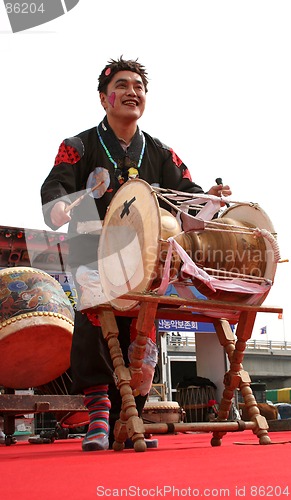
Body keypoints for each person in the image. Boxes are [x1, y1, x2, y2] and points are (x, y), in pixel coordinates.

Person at [41, 56, 231, 451]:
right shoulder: (79, 146)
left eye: (139, 87)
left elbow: (186, 193)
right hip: (93, 251)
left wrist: (207, 200)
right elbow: (57, 188)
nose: (132, 92)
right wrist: (60, 206)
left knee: (140, 336)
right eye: (123, 86)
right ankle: (98, 415)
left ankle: (131, 415)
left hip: (145, 259)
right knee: (96, 327)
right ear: (104, 98)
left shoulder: (160, 151)